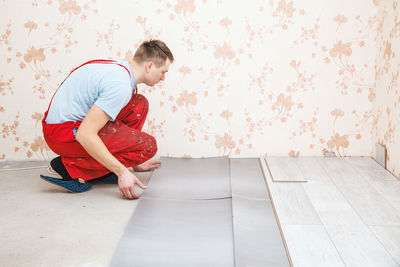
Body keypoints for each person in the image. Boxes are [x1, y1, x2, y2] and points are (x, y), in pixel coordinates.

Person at [41, 39, 174, 199]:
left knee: (138, 104)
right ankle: (66, 167)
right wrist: (122, 171)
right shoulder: (120, 85)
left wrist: (134, 163)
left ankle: (101, 171)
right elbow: (85, 134)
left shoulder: (120, 72)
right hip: (63, 133)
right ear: (150, 66)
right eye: (163, 72)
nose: (163, 78)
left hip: (67, 126)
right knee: (148, 146)